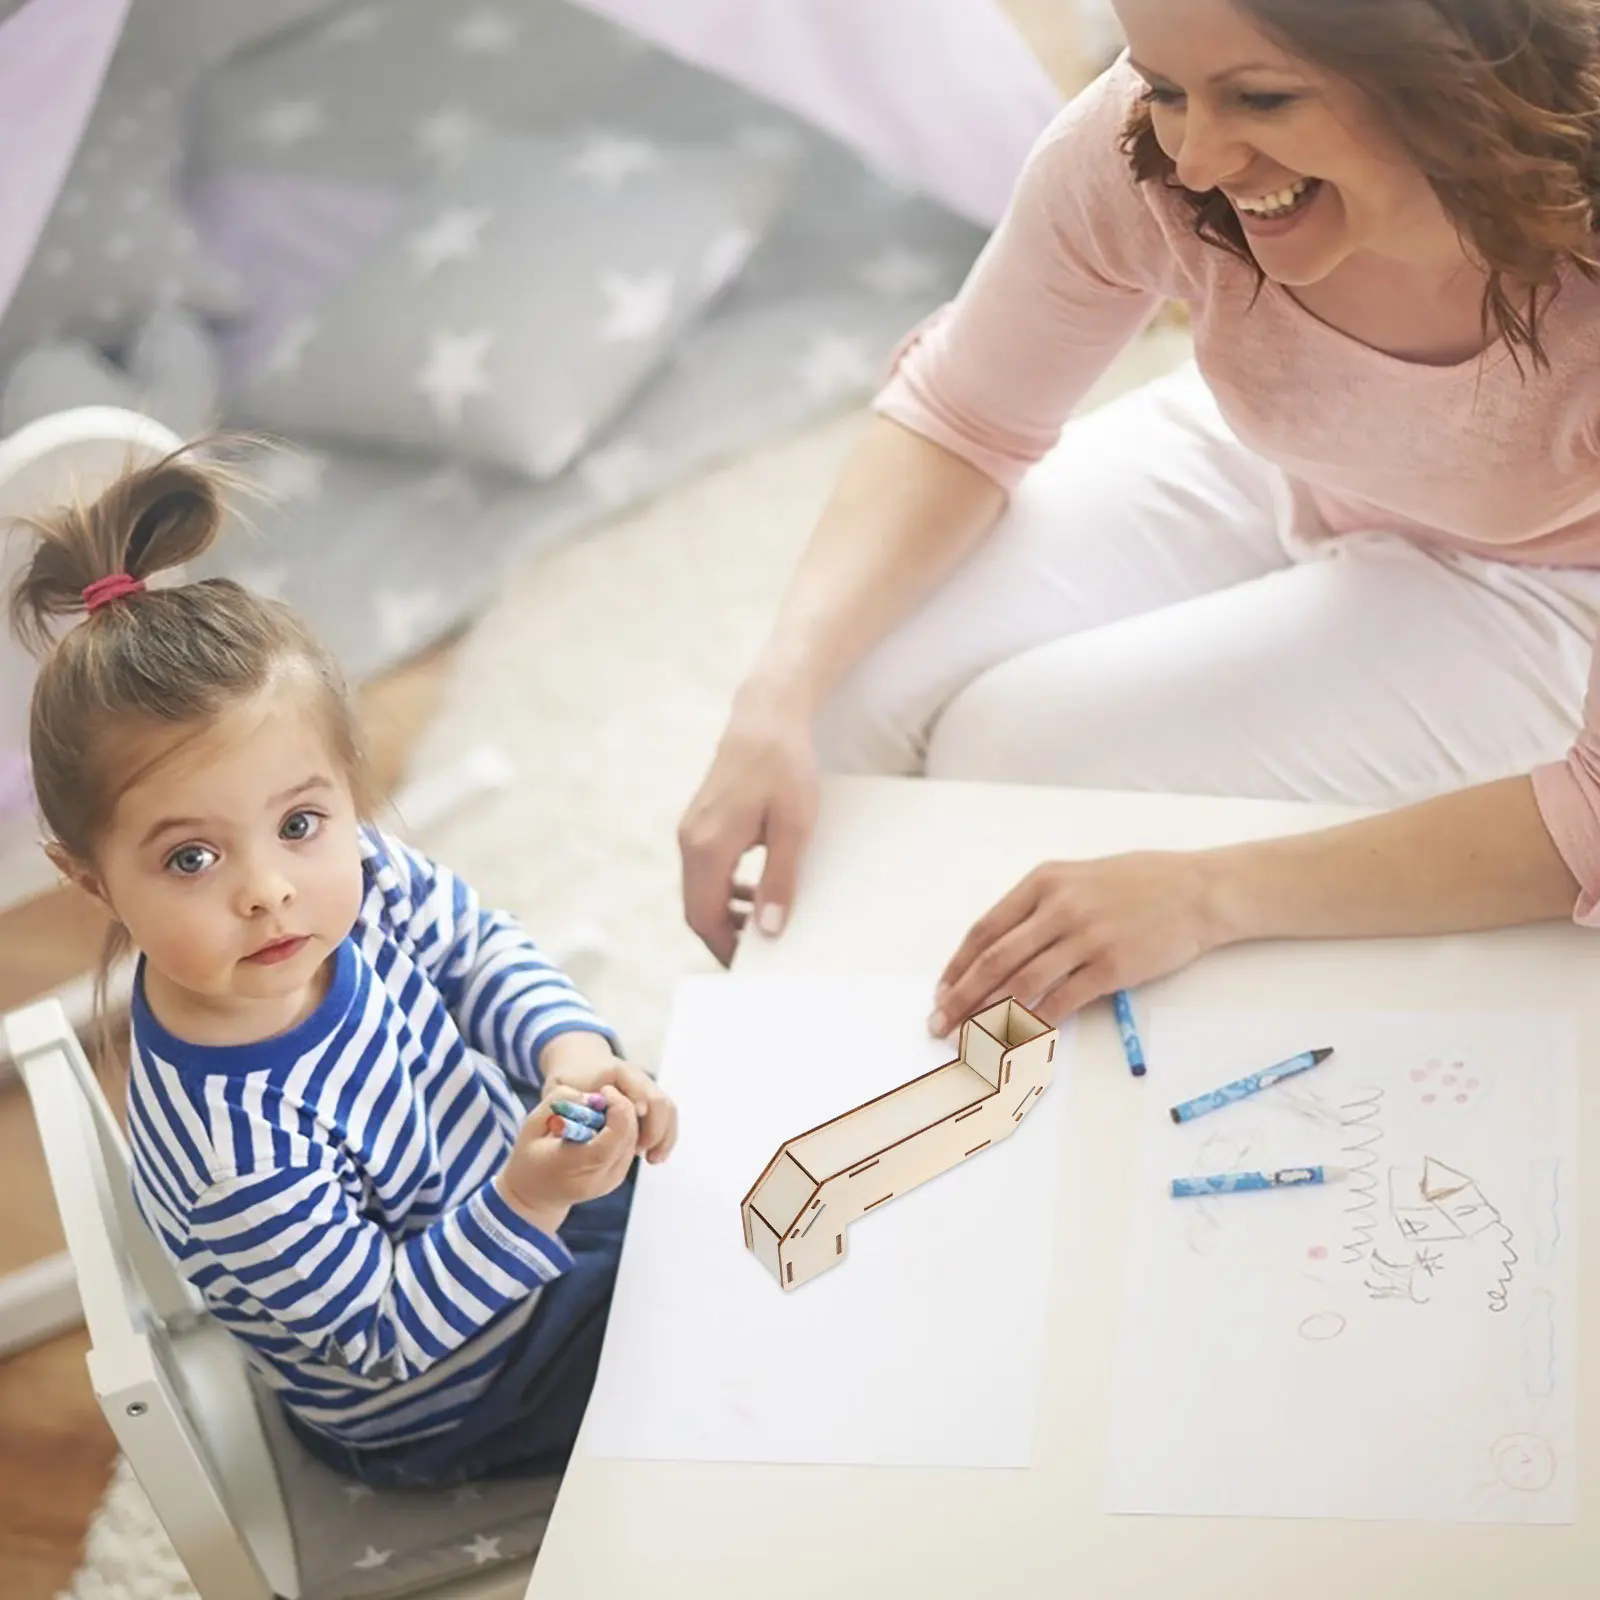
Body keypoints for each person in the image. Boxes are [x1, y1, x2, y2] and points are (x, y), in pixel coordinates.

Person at [678, 0, 1600, 1034]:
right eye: (1164, 86)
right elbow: (961, 410)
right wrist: (774, 693)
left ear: (1463, 67)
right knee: (842, 700)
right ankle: (785, 1050)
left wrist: (1212, 892)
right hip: (1295, 449)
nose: (1197, 158)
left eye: (1261, 97)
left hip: (1555, 588)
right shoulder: (1138, 151)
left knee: (1015, 761)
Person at [8, 445, 678, 1489]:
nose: (268, 887)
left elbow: (476, 944)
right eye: (192, 856)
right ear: (87, 877)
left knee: (743, 1195)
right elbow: (382, 1334)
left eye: (299, 820)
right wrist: (531, 1198)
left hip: (518, 1216)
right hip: (464, 1385)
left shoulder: (352, 871)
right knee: (720, 1376)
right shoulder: (238, 1147)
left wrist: (571, 1054)